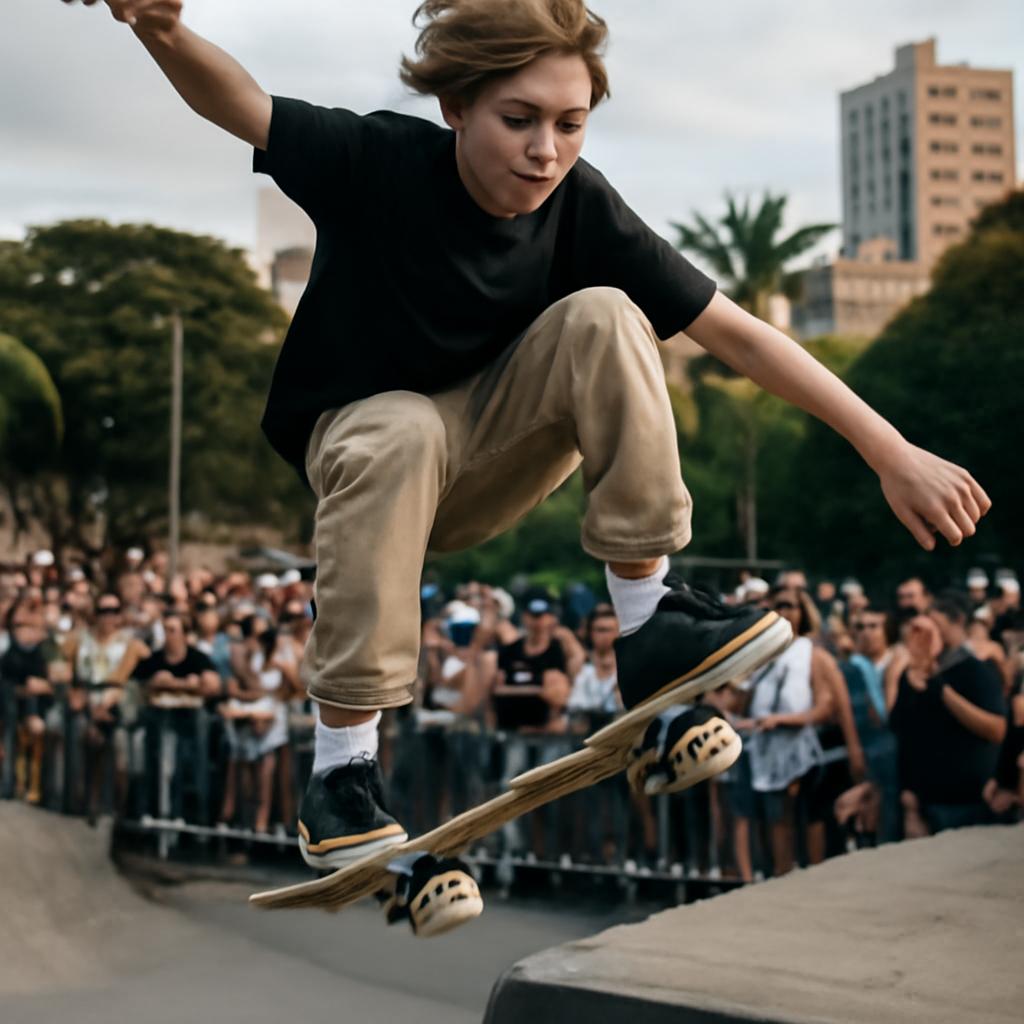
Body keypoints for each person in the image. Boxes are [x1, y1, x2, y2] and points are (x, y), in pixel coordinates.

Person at [64, 1, 989, 909]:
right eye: (519, 121)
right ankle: (341, 772)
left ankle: (647, 627)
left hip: (494, 463)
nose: (546, 151)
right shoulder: (378, 160)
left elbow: (741, 337)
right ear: (456, 108)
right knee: (403, 424)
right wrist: (162, 27)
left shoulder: (582, 208)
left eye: (570, 125)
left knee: (609, 314)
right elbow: (241, 106)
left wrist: (889, 449)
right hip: (368, 462)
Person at [889, 596, 1006, 836]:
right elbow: (901, 731)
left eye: (935, 624)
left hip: (969, 802)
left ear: (958, 622)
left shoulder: (978, 670)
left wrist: (941, 689)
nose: (927, 632)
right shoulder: (911, 673)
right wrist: (909, 798)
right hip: (925, 802)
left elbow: (996, 729)